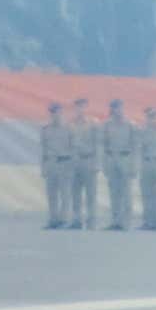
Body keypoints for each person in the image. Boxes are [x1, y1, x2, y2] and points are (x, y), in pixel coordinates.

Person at [103, 98, 137, 231]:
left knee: (127, 193)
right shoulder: (107, 126)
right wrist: (105, 164)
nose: (117, 110)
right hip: (112, 159)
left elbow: (135, 146)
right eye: (114, 107)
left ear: (123, 108)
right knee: (114, 192)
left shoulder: (130, 125)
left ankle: (127, 222)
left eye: (119, 107)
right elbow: (104, 145)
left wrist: (134, 165)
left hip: (125, 159)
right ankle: (116, 221)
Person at [40, 102, 73, 229]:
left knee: (65, 194)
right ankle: (53, 220)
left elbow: (74, 148)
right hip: (50, 164)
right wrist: (43, 167)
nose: (55, 115)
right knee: (51, 194)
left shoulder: (69, 129)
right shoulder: (45, 129)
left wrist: (71, 166)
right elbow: (43, 150)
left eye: (57, 112)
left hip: (64, 163)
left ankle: (63, 220)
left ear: (61, 113)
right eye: (52, 112)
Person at [69, 98, 99, 230]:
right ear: (75, 108)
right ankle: (77, 220)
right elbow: (68, 144)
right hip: (75, 162)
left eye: (82, 107)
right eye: (78, 107)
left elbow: (98, 145)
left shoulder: (93, 124)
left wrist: (97, 163)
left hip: (89, 161)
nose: (80, 109)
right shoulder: (70, 125)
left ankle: (91, 221)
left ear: (87, 108)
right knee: (75, 194)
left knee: (90, 194)